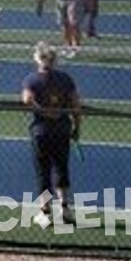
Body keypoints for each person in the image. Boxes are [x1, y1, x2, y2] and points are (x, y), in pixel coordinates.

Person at [20, 42, 83, 224]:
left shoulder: (31, 80)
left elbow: (27, 101)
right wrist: (76, 127)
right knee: (61, 168)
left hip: (40, 131)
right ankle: (65, 210)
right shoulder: (65, 79)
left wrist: (44, 112)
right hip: (62, 130)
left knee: (43, 171)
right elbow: (76, 105)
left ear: (38, 59)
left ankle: (45, 212)